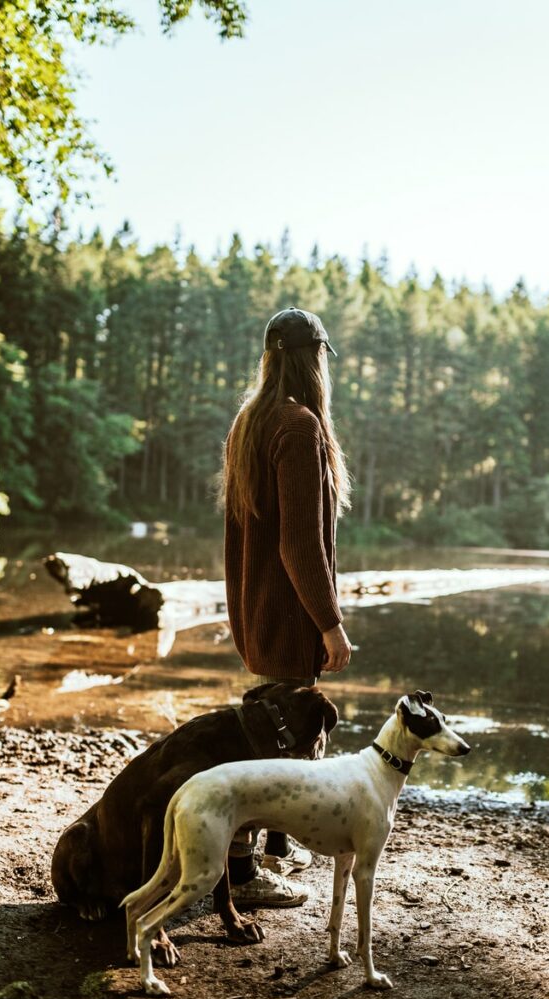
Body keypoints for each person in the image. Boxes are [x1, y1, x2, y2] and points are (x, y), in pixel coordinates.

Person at [220, 306, 352, 908]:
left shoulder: (250, 421)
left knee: (282, 733)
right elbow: (298, 545)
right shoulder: (298, 427)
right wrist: (331, 625)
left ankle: (275, 847)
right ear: (314, 360)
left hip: (258, 610)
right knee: (274, 744)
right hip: (287, 612)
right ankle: (244, 874)